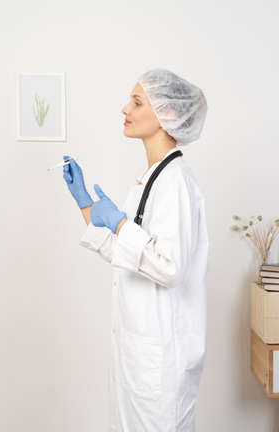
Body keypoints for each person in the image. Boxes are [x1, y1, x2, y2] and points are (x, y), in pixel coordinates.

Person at [63, 68, 209, 432]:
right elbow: (130, 257)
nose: (124, 108)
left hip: (160, 362)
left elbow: (169, 267)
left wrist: (120, 224)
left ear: (169, 115)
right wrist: (84, 204)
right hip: (141, 358)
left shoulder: (175, 182)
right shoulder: (152, 178)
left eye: (137, 101)